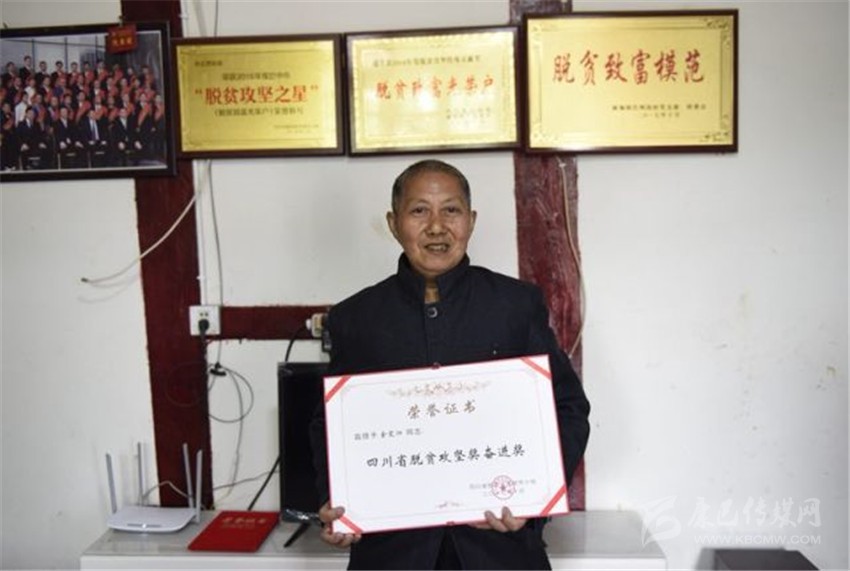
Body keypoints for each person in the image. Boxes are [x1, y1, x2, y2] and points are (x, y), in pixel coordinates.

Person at [309, 159, 591, 570]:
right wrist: (334, 499)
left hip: (500, 552)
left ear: (471, 221)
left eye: (451, 210)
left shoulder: (514, 305)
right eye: (419, 210)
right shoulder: (356, 318)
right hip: (393, 556)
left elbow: (568, 407)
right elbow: (329, 423)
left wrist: (535, 499)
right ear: (393, 223)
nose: (437, 227)